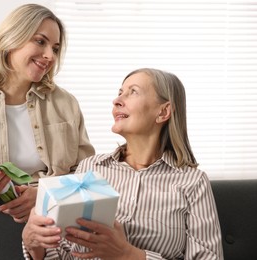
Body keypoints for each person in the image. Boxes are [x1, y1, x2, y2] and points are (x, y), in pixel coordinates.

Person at [22, 68, 224, 259]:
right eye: (120, 92)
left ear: (163, 112)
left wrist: (127, 254)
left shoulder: (193, 182)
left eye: (132, 92)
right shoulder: (90, 169)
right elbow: (64, 253)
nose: (117, 100)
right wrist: (35, 245)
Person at [0, 4, 95, 223]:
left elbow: (87, 174)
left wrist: (44, 195)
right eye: (40, 41)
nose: (49, 55)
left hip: (54, 218)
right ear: (10, 39)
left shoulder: (66, 103)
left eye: (55, 48)